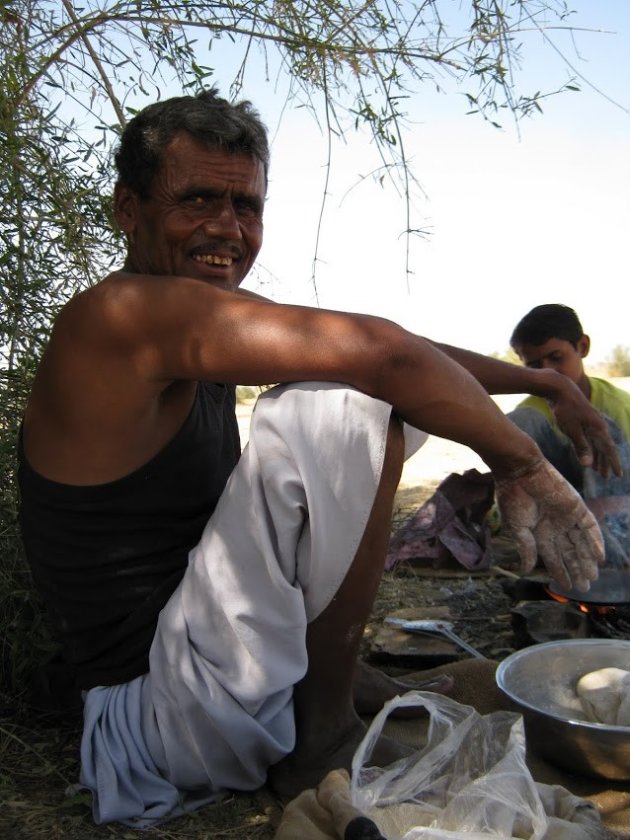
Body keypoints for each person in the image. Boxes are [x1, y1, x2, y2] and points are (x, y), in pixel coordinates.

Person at [17, 90, 615, 827]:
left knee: (346, 377)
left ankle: (317, 686)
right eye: (197, 198)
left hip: (201, 685)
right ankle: (321, 729)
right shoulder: (119, 318)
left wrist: (545, 381)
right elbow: (381, 358)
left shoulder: (188, 322)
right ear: (128, 211)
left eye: (247, 205)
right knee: (342, 401)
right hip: (155, 724)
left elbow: (397, 346)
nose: (227, 229)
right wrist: (523, 463)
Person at [509, 304, 630, 568]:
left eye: (556, 357)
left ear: (582, 347)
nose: (547, 372)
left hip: (617, 505)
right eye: (534, 365)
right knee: (516, 424)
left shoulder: (619, 405)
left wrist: (606, 506)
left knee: (599, 426)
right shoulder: (531, 413)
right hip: (559, 510)